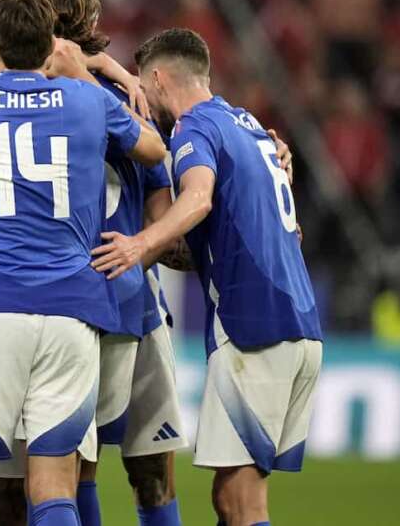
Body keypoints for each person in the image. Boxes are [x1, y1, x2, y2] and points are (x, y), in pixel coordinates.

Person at [0, 0, 165, 526]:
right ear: (51, 43)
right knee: (55, 485)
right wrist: (103, 75)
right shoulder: (89, 99)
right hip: (74, 314)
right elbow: (153, 149)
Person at [96, 28, 323, 526]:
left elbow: (197, 200)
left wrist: (141, 245)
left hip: (256, 329)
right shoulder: (250, 126)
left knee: (241, 502)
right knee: (229, 499)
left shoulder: (192, 128)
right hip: (300, 325)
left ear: (156, 78)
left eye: (141, 83)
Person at [32, 0, 188, 526]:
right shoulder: (127, 99)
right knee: (145, 469)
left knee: (74, 465)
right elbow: (161, 194)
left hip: (77, 291)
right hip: (123, 290)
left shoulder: (15, 94)